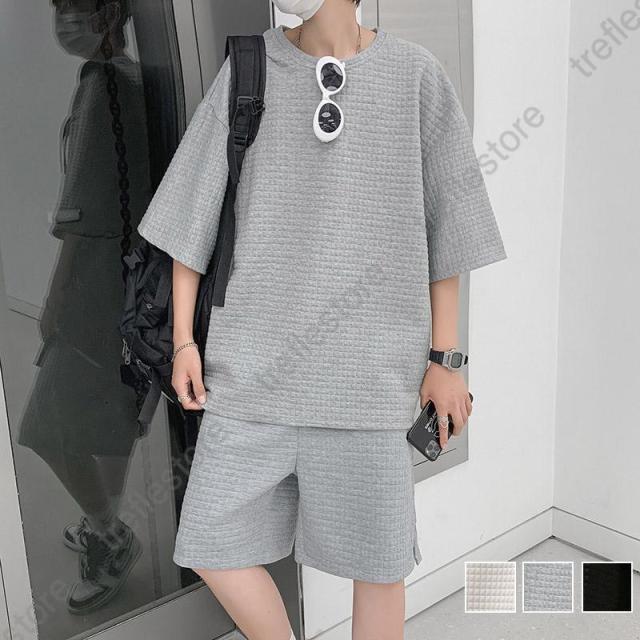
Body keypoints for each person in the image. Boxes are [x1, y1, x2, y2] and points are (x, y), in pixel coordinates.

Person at [136, 0, 508, 638]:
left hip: (370, 382)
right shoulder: (249, 68)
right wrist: (183, 343)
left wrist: (446, 361)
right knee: (209, 542)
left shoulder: (417, 75)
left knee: (379, 569)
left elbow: (448, 227)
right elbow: (190, 212)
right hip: (252, 376)